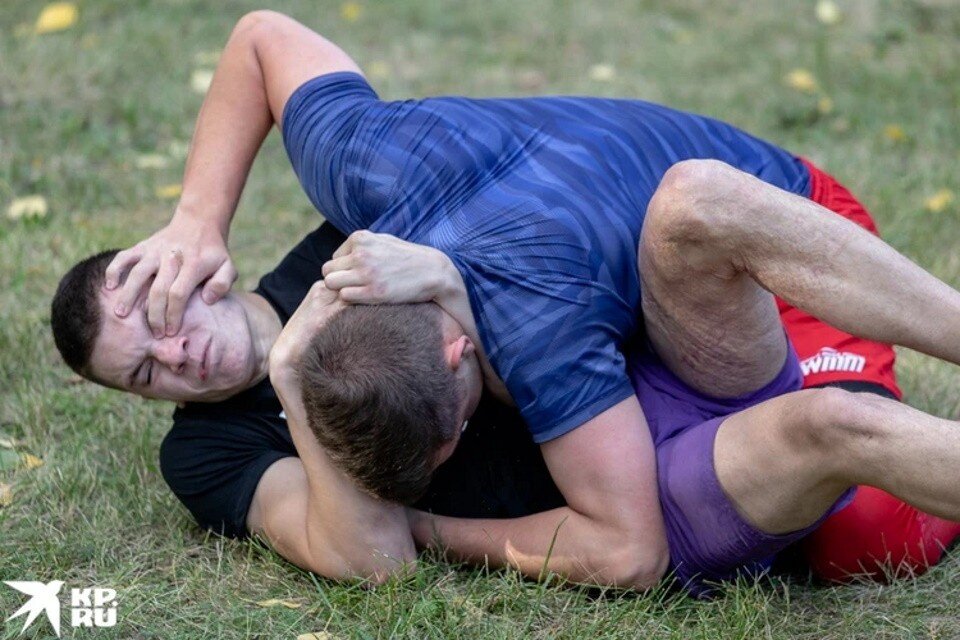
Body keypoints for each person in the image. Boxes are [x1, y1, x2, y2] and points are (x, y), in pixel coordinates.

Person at [54, 11, 959, 589]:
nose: (176, 356)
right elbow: (375, 561)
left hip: (742, 271)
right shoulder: (209, 450)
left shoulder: (372, 233)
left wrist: (198, 216)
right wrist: (292, 370)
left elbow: (262, 36)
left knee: (850, 500)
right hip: (652, 386)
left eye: (162, 317)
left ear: (195, 275)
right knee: (854, 518)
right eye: (144, 376)